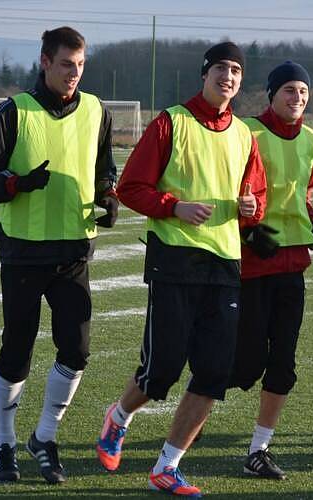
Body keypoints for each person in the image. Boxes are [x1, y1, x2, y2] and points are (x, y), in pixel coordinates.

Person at [95, 41, 267, 497]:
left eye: (235, 70)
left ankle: (167, 466)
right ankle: (119, 417)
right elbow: (130, 187)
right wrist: (174, 207)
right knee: (162, 371)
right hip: (175, 259)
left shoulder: (246, 135)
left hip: (226, 263)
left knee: (213, 374)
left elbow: (256, 200)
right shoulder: (172, 121)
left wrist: (251, 207)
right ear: (204, 74)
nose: (227, 77)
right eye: (220, 69)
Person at [0, 26, 118, 485]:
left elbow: (105, 168)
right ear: (45, 62)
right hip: (23, 254)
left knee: (77, 350)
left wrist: (109, 198)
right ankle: (4, 442)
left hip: (74, 251)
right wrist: (15, 183)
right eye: (66, 63)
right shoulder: (14, 111)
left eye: (81, 64)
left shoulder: (95, 110)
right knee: (17, 350)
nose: (74, 73)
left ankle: (44, 436)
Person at [229, 61, 313, 479]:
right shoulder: (247, 132)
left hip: (292, 266)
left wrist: (312, 222)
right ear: (271, 94)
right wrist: (247, 231)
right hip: (252, 264)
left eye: (302, 91)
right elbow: (227, 188)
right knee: (245, 364)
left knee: (283, 364)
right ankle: (190, 417)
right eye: (288, 90)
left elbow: (304, 192)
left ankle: (258, 450)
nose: (296, 98)